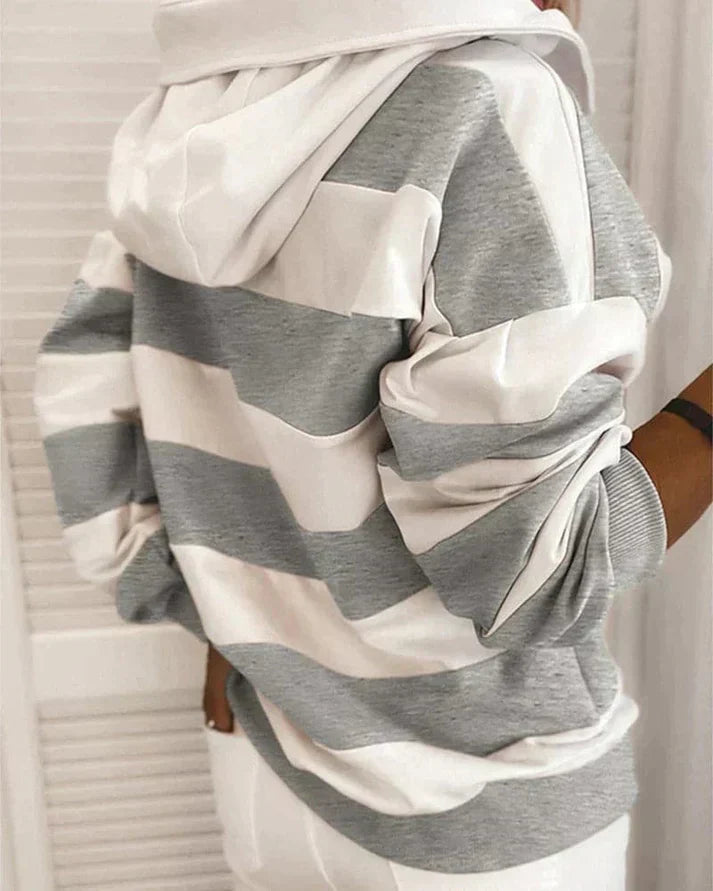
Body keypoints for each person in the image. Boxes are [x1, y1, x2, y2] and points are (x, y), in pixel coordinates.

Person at [32, 0, 712, 888]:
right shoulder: (489, 98)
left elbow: (104, 422)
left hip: (268, 763)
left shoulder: (204, 103)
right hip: (478, 803)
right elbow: (540, 573)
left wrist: (237, 626)